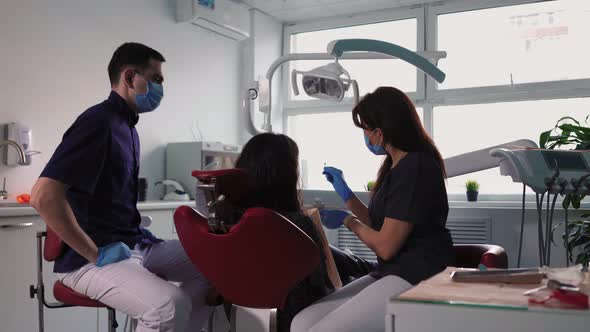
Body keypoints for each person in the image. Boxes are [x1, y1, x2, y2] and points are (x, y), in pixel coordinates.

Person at [31, 42, 213, 332]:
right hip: (87, 259)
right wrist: (95, 254)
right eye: (156, 80)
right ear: (130, 78)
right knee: (168, 306)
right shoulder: (98, 122)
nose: (160, 88)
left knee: (216, 265)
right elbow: (43, 196)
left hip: (132, 244)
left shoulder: (127, 127)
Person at [291, 86, 454, 332]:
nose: (365, 135)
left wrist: (347, 221)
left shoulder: (415, 167)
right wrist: (345, 194)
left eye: (366, 129)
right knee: (301, 322)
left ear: (380, 132)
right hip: (391, 271)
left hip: (417, 275)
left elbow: (386, 246)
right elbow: (378, 222)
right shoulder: (395, 167)